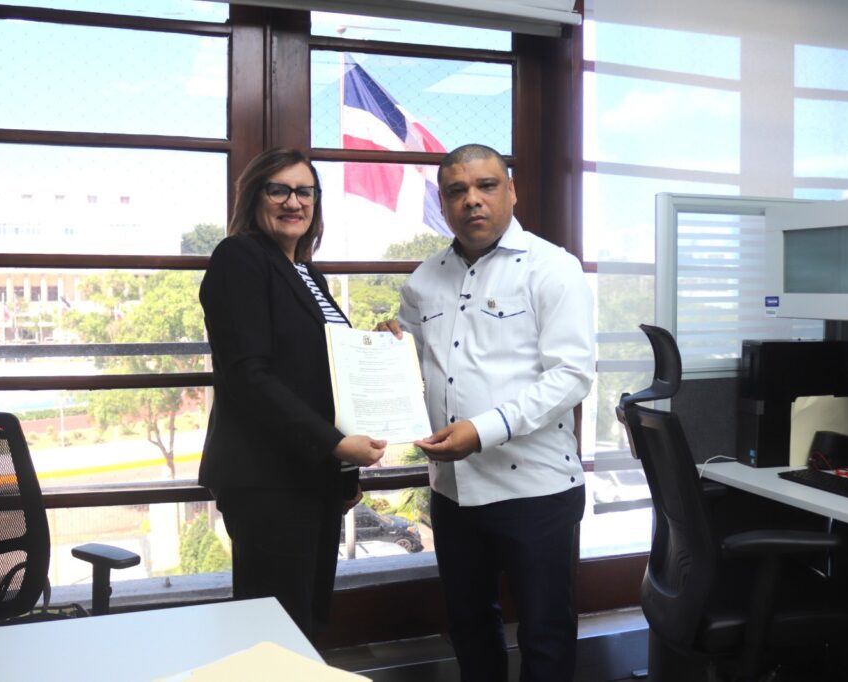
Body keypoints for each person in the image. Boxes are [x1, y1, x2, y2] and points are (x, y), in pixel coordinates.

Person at [378, 144, 595, 681]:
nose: (472, 200)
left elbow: (571, 376)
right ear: (444, 202)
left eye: (487, 186)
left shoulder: (554, 268)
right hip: (453, 490)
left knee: (545, 635)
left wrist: (484, 430)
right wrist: (386, 354)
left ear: (511, 191)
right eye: (457, 190)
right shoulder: (423, 279)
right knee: (469, 627)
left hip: (536, 491)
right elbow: (414, 363)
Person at [199, 147, 386, 641]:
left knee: (307, 624)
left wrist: (379, 347)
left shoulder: (308, 273)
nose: (292, 202)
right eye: (277, 189)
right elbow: (247, 375)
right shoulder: (239, 257)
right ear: (254, 197)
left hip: (311, 479)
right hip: (268, 483)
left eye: (304, 191)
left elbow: (322, 373)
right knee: (278, 635)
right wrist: (333, 445)